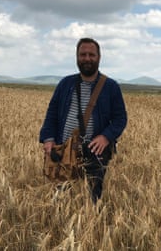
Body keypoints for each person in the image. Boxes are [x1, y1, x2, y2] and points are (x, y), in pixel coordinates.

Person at [39, 37, 127, 203]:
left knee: (92, 198)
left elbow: (120, 118)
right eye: (83, 54)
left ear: (99, 57)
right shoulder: (65, 84)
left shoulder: (111, 87)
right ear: (77, 57)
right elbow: (51, 114)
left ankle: (92, 226)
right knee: (62, 197)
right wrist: (49, 139)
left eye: (91, 55)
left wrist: (106, 136)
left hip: (95, 152)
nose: (87, 58)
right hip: (65, 149)